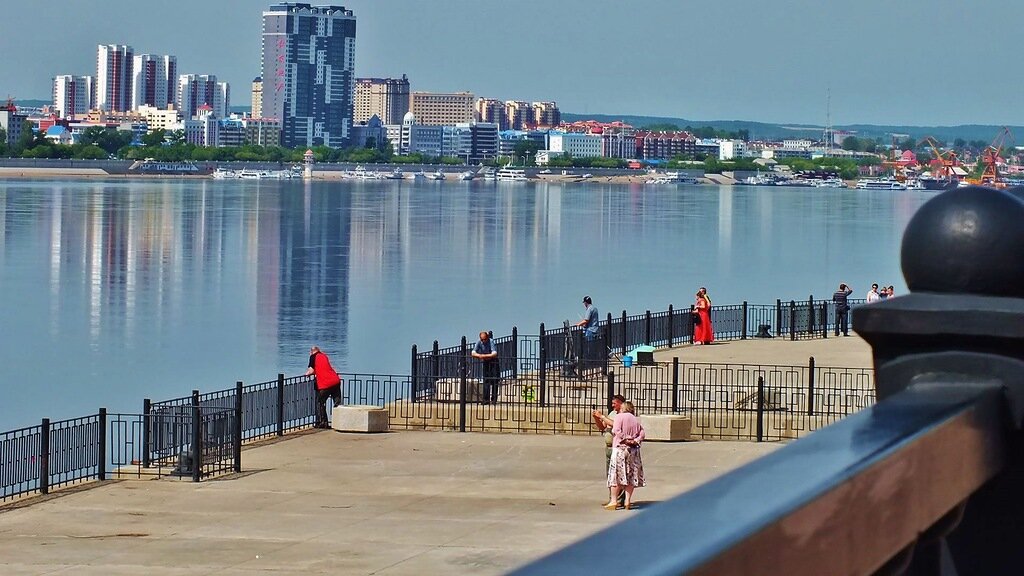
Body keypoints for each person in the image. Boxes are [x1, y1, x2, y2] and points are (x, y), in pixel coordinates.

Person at [605, 401, 645, 510]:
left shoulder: (619, 417)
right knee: (631, 475)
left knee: (616, 476)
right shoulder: (635, 419)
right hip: (633, 450)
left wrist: (625, 438)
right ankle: (627, 500)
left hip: (619, 448)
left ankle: (614, 501)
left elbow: (616, 430)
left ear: (623, 408)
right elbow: (642, 433)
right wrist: (635, 440)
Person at [592, 395, 626, 506]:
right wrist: (597, 418)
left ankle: (620, 499)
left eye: (614, 403)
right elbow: (603, 427)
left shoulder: (623, 415)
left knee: (618, 474)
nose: (612, 405)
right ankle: (612, 498)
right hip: (609, 447)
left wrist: (601, 416)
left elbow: (615, 425)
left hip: (618, 448)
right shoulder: (612, 414)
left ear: (620, 403)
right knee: (610, 475)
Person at [305, 346, 342, 429]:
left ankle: (323, 423)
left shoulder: (313, 357)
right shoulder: (324, 355)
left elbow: (311, 371)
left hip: (326, 384)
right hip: (335, 381)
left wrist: (306, 374)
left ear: (311, 352)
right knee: (337, 403)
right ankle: (340, 423)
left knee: (320, 402)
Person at [472, 330, 500, 404]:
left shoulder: (491, 341)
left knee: (495, 380)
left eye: (484, 339)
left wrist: (484, 356)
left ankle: (494, 399)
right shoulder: (479, 342)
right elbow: (473, 352)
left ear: (487, 337)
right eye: (482, 339)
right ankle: (485, 399)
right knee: (486, 380)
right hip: (486, 361)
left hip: (493, 361)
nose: (483, 341)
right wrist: (480, 356)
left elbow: (494, 353)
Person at [576, 296, 601, 372]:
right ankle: (594, 361)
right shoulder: (595, 308)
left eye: (584, 303)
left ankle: (589, 363)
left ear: (586, 303)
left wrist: (578, 324)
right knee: (594, 347)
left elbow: (586, 320)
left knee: (589, 347)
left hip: (590, 330)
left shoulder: (589, 309)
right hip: (596, 329)